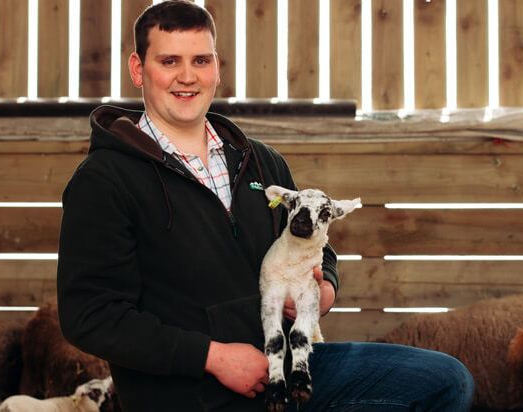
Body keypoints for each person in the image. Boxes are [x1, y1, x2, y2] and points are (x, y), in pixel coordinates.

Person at [56, 1, 473, 410]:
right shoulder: (104, 181)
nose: (187, 76)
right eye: (169, 61)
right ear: (137, 69)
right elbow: (90, 316)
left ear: (216, 67)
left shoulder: (260, 161)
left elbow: (314, 245)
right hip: (194, 393)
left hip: (292, 367)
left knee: (445, 382)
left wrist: (324, 287)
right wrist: (213, 357)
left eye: (201, 60)